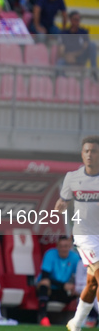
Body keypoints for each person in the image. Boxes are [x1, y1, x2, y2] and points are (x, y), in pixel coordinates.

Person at [55, 136, 99, 331]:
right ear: (82, 153)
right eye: (86, 151)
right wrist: (60, 206)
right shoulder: (72, 177)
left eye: (94, 151)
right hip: (84, 235)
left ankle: (75, 323)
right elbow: (63, 201)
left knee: (92, 283)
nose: (89, 155)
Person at [37, 236, 79, 326]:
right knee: (44, 284)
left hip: (63, 292)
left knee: (81, 289)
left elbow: (79, 277)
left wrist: (75, 286)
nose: (63, 249)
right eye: (61, 246)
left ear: (70, 247)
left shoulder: (75, 257)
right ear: (57, 247)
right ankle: (43, 317)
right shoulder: (50, 254)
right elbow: (45, 277)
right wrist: (63, 285)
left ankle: (85, 319)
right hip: (50, 289)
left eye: (66, 246)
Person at [57, 11, 98, 78]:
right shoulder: (64, 33)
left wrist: (73, 55)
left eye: (79, 19)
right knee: (60, 63)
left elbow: (86, 46)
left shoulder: (83, 32)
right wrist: (67, 56)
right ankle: (63, 83)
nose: (77, 21)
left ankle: (94, 72)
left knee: (92, 45)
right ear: (70, 20)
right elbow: (61, 50)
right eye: (75, 19)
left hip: (79, 57)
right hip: (68, 58)